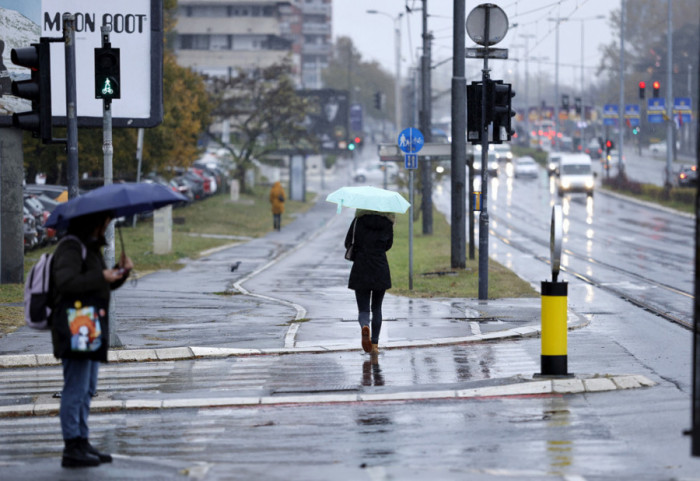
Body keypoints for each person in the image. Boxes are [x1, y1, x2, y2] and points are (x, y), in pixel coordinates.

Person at [50, 211, 133, 468]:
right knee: (75, 389)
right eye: (105, 223)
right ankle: (71, 446)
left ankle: (82, 440)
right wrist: (102, 276)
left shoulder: (89, 248)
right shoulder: (71, 247)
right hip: (74, 328)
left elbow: (100, 285)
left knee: (87, 389)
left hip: (89, 328)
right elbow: (66, 283)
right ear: (93, 224)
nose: (106, 228)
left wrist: (121, 273)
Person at [344, 209, 394, 354]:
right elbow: (388, 245)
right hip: (380, 268)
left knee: (364, 309)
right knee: (377, 308)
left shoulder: (358, 221)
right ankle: (375, 345)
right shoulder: (387, 223)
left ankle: (365, 326)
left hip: (361, 267)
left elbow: (348, 242)